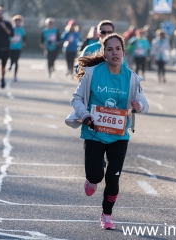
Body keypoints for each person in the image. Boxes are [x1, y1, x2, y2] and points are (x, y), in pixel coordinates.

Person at [68, 33, 149, 230]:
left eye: (118, 49)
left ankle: (106, 214)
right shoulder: (93, 73)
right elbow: (76, 99)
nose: (115, 53)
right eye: (110, 49)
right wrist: (85, 115)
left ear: (123, 52)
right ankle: (92, 180)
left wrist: (139, 105)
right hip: (94, 132)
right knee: (96, 175)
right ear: (104, 54)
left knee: (113, 177)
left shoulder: (131, 78)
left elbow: (145, 104)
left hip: (119, 135)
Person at [8, 15, 26, 82]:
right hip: (11, 47)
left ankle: (15, 75)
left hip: (18, 47)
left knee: (16, 61)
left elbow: (24, 37)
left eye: (19, 21)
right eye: (16, 21)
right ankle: (10, 64)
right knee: (11, 59)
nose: (17, 23)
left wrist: (24, 43)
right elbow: (8, 37)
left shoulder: (22, 30)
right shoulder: (11, 29)